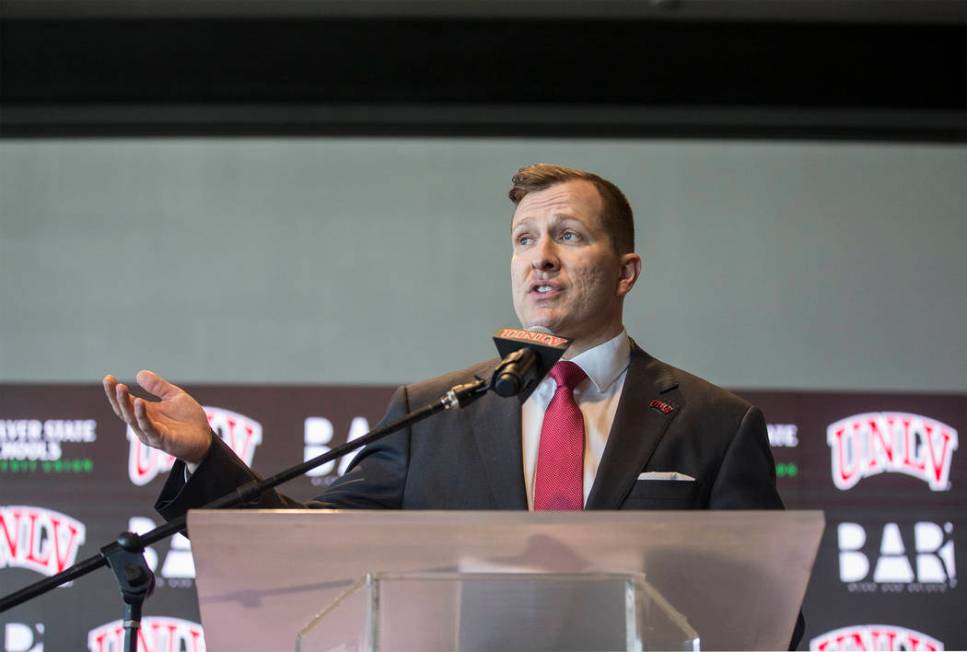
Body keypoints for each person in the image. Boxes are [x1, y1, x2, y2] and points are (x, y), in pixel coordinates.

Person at [102, 164, 802, 646]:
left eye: (568, 235)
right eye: (523, 240)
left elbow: (768, 614)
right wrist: (204, 454)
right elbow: (302, 545)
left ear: (625, 271)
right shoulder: (435, 410)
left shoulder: (714, 423)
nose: (541, 259)